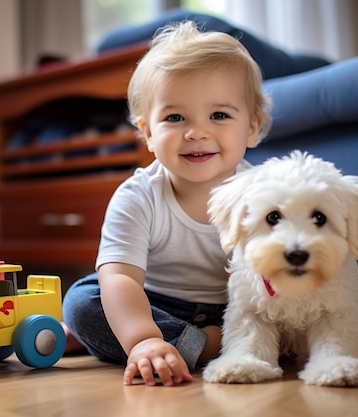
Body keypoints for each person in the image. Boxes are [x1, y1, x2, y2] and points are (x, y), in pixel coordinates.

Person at [62, 20, 272, 387]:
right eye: (175, 118)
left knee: (277, 310)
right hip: (155, 304)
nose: (196, 132)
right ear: (147, 132)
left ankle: (148, 342)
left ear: (252, 128)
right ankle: (199, 347)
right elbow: (122, 277)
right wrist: (144, 340)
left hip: (236, 309)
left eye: (219, 115)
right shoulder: (138, 196)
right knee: (83, 301)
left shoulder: (264, 193)